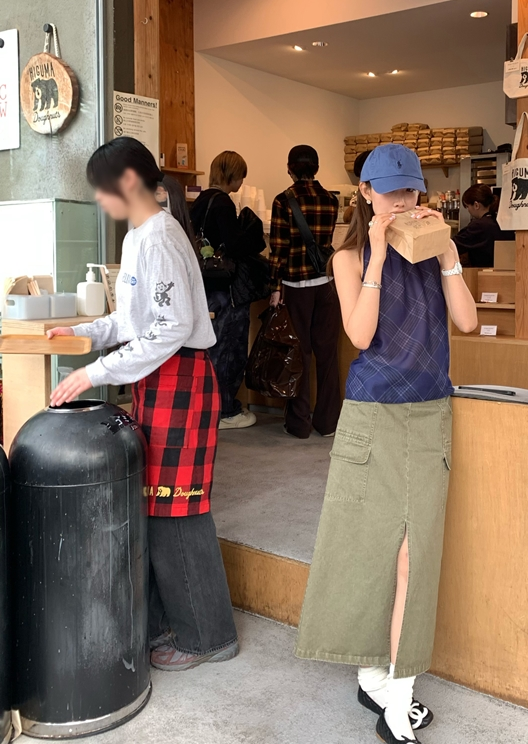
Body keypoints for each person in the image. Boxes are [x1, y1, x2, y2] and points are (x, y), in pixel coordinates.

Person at [295, 144, 477, 744]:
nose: (402, 201)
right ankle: (372, 675)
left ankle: (397, 697)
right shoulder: (347, 256)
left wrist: (448, 254)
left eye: (410, 190)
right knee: (366, 549)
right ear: (366, 193)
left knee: (412, 558)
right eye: (390, 191)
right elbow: (360, 333)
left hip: (428, 414)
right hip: (371, 415)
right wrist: (375, 252)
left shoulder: (432, 253)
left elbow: (468, 322)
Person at [46, 137, 238, 672]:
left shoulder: (160, 238)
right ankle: (179, 625)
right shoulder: (139, 236)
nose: (98, 199)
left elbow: (171, 328)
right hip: (159, 382)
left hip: (181, 380)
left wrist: (93, 372)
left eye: (102, 188)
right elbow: (131, 322)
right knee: (159, 506)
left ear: (128, 183)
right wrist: (83, 333)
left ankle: (209, 637)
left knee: (179, 510)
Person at [269, 144, 341, 439]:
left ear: (290, 169)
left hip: (296, 286)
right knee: (328, 353)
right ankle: (328, 422)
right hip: (327, 283)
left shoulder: (283, 200)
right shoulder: (331, 200)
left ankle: (299, 423)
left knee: (299, 353)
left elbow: (278, 250)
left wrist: (274, 287)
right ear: (316, 168)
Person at [191, 151, 267, 430]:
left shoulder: (200, 201)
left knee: (211, 348)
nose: (242, 182)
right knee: (230, 349)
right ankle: (225, 409)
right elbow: (234, 245)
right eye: (241, 176)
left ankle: (208, 407)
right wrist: (254, 236)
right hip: (226, 288)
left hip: (204, 285)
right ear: (231, 175)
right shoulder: (223, 203)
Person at [453, 183, 514, 268]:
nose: (468, 210)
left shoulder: (478, 226)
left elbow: (453, 245)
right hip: (507, 270)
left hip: (482, 273)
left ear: (476, 205)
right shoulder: (502, 221)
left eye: (467, 206)